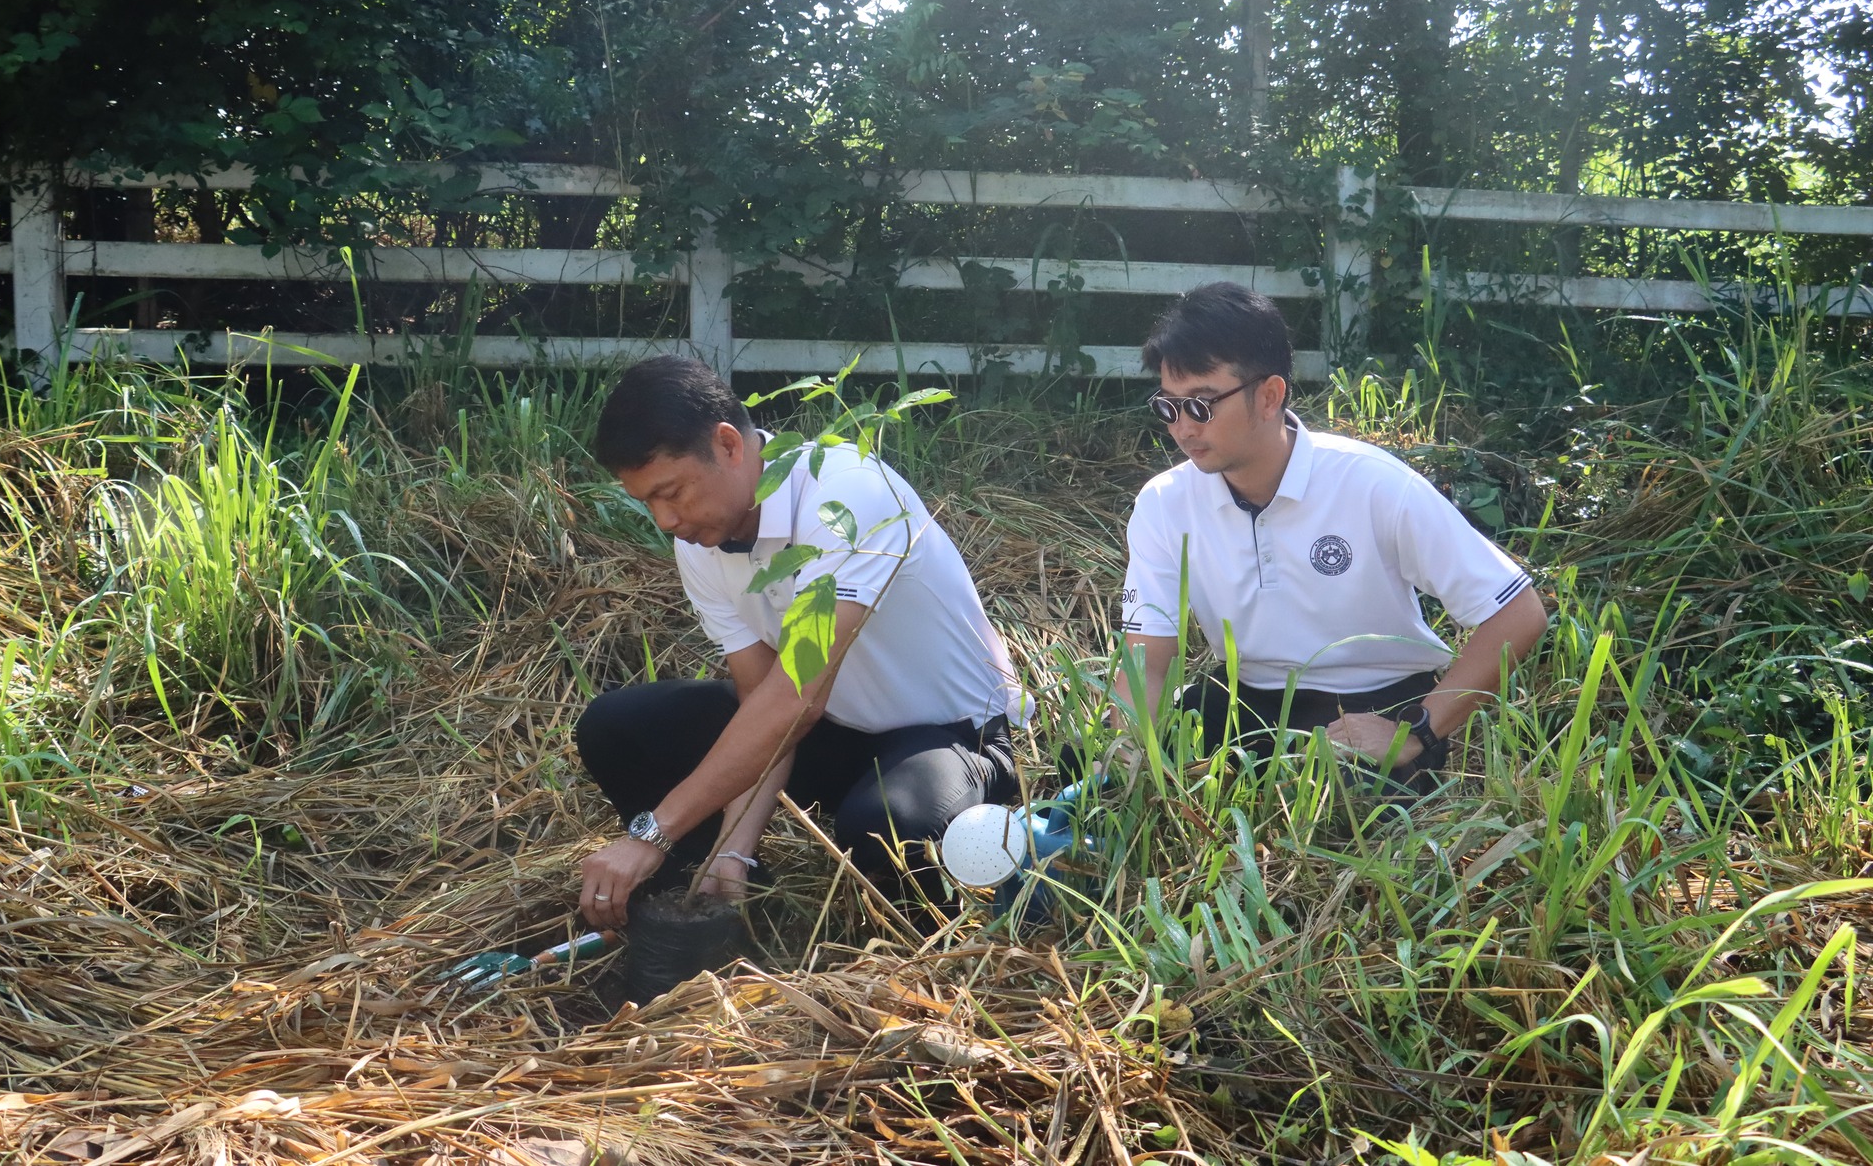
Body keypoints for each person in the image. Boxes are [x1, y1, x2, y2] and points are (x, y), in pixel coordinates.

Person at [573, 356, 1026, 929]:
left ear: (728, 445)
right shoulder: (701, 541)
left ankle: (927, 932)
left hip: (952, 737)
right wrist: (734, 847)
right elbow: (761, 698)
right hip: (832, 734)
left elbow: (796, 696)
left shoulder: (846, 499)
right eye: (648, 503)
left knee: (887, 826)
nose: (665, 521)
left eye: (673, 492)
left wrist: (654, 832)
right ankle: (708, 906)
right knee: (618, 727)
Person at [1115, 283, 1548, 781]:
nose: (1183, 429)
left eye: (1201, 405)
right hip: (1247, 699)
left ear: (1269, 396)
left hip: (1374, 701)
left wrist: (1416, 731)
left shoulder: (1372, 484)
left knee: (1337, 802)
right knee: (1089, 771)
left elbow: (1518, 613)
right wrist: (1130, 757)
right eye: (1169, 407)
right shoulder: (1165, 503)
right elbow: (1148, 661)